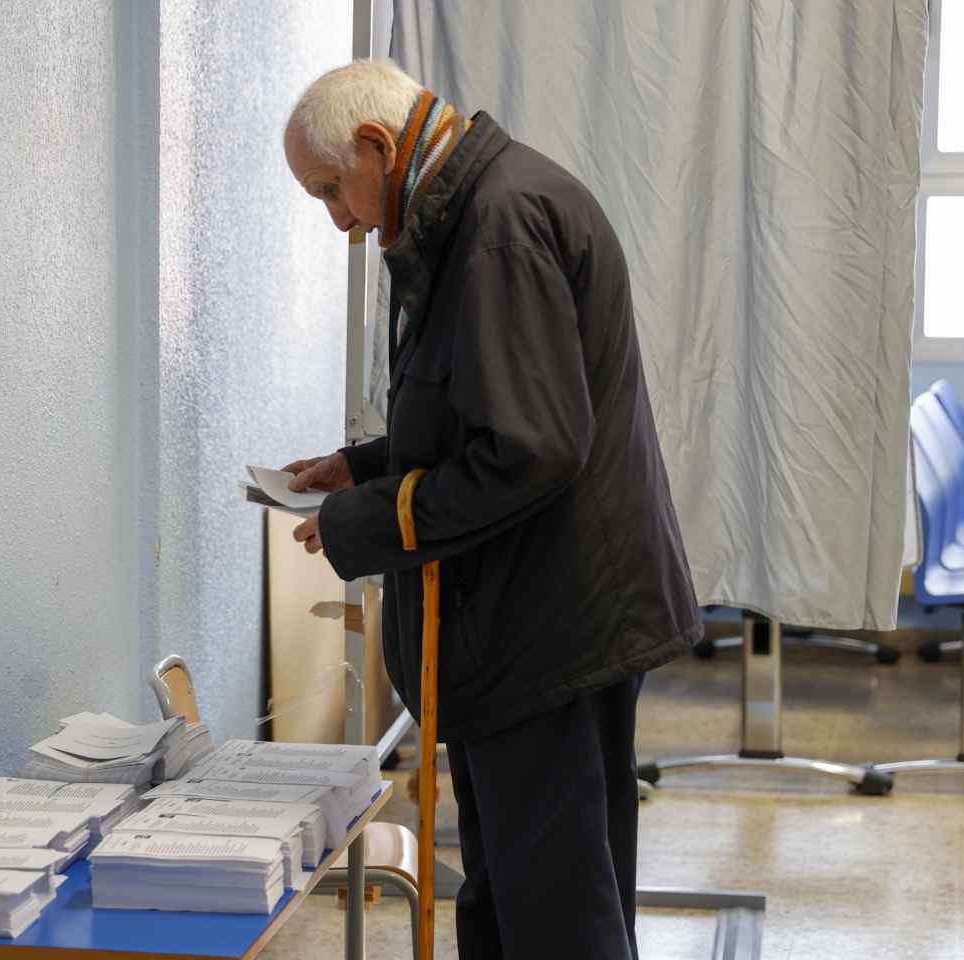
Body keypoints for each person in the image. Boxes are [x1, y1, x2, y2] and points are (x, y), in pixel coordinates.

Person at [278, 61, 701, 959]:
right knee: (519, 894)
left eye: (331, 192)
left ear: (377, 147)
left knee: (554, 915)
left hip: (548, 630)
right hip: (535, 622)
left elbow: (530, 448)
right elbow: (483, 409)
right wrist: (360, 467)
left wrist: (364, 523)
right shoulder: (474, 211)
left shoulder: (497, 229)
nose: (340, 223)